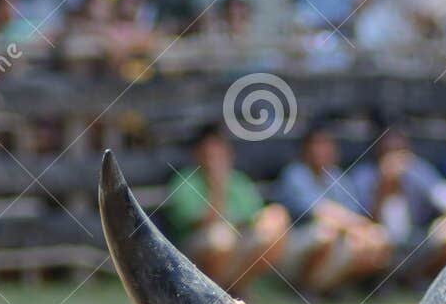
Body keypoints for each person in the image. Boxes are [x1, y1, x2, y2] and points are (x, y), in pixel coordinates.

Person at [164, 125, 289, 292]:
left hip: (238, 241)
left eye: (219, 154)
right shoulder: (185, 181)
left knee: (276, 217)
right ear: (197, 155)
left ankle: (238, 288)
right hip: (196, 250)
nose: (215, 159)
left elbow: (253, 218)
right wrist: (217, 187)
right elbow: (202, 224)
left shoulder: (238, 180)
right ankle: (214, 292)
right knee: (221, 238)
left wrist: (269, 221)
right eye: (209, 154)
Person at [353, 128, 446, 277]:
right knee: (371, 239)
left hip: (416, 244)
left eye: (401, 151)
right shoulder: (363, 177)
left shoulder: (417, 171)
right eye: (390, 151)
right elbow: (363, 224)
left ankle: (416, 277)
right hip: (380, 248)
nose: (397, 159)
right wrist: (383, 190)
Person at [277, 124, 392, 294]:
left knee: (376, 240)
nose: (321, 150)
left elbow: (354, 213)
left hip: (338, 242)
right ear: (305, 149)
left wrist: (364, 232)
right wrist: (360, 228)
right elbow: (321, 211)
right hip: (293, 249)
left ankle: (331, 288)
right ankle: (303, 289)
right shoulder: (295, 174)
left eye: (326, 144)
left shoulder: (337, 177)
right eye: (316, 144)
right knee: (324, 234)